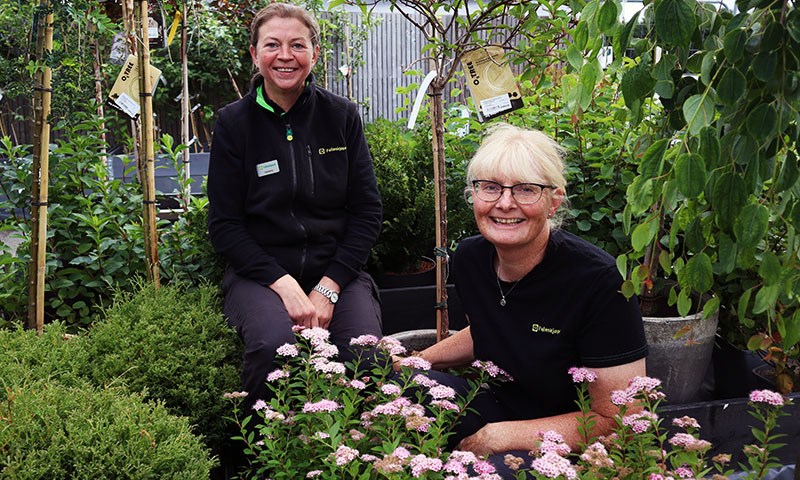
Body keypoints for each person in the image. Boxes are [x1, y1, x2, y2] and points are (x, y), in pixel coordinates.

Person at [412, 123, 648, 468]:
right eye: (490, 187)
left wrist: (497, 437)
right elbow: (489, 330)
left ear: (554, 201)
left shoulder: (598, 281)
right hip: (502, 405)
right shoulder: (470, 259)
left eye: (526, 190)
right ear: (473, 195)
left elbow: (618, 419)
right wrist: (417, 361)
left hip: (572, 439)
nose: (505, 203)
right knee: (403, 386)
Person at [207, 3, 383, 411]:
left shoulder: (341, 117)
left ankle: (364, 446)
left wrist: (328, 287)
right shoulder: (234, 124)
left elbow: (367, 212)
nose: (285, 56)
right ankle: (265, 446)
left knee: (364, 355)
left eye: (297, 45)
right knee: (274, 348)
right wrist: (284, 285)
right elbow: (225, 225)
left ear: (315, 54)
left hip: (337, 271)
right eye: (272, 45)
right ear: (254, 54)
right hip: (259, 275)